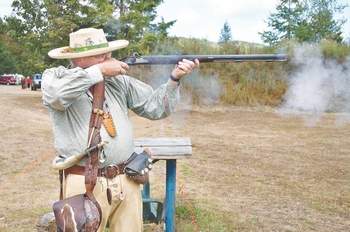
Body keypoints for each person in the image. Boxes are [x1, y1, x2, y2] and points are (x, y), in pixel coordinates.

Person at [42, 28, 199, 232]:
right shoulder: (56, 77)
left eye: (107, 52)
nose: (108, 57)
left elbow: (156, 107)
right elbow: (55, 95)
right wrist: (98, 72)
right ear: (79, 59)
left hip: (126, 178)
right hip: (84, 181)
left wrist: (175, 78)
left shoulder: (118, 81)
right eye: (100, 54)